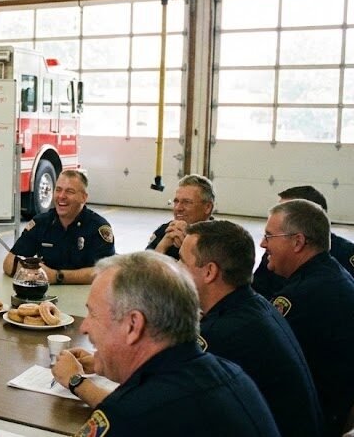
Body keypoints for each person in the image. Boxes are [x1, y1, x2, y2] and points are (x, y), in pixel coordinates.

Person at [51, 251, 278, 436]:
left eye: (93, 314)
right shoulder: (232, 375)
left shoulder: (131, 416)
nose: (84, 327)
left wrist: (77, 381)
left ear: (133, 325)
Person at [178, 220, 322, 437]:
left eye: (181, 261)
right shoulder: (255, 304)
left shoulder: (221, 334)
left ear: (209, 272)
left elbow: (169, 400)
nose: (174, 268)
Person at [262, 199, 354, 435]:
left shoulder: (302, 296)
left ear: (298, 241)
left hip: (317, 418)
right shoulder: (330, 273)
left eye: (269, 236)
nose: (263, 244)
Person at [2, 170, 114, 284]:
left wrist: (58, 277)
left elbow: (106, 271)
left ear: (84, 198)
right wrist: (35, 273)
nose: (61, 196)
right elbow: (9, 262)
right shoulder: (41, 223)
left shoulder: (98, 227)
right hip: (46, 296)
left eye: (69, 191)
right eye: (58, 190)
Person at [253, 185, 354, 299]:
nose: (263, 244)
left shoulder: (344, 254)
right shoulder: (276, 253)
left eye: (288, 210)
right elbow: (257, 291)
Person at [146, 174, 215, 260]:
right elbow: (143, 270)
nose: (178, 208)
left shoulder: (220, 239)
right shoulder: (165, 231)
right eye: (176, 201)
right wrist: (163, 246)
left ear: (207, 207)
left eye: (187, 202)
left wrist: (190, 244)